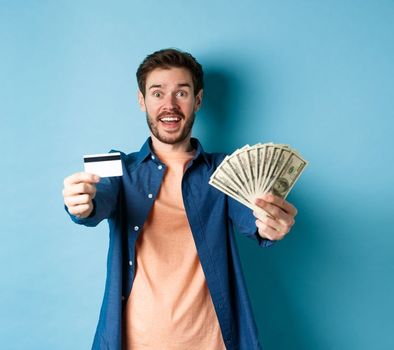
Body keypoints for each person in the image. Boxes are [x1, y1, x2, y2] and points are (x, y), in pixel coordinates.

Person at [61, 48, 297, 350]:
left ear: (197, 101)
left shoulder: (227, 169)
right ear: (141, 100)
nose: (169, 105)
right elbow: (97, 199)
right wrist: (82, 203)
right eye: (157, 93)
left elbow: (254, 218)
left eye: (181, 93)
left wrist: (271, 224)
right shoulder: (117, 166)